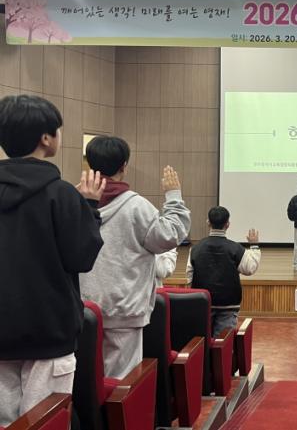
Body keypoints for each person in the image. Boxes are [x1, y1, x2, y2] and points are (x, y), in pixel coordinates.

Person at [0, 95, 105, 425]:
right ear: (46, 138)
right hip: (49, 332)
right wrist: (89, 207)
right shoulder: (62, 194)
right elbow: (82, 257)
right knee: (46, 422)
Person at [80, 136, 191, 379]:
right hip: (124, 310)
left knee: (86, 379)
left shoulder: (77, 202)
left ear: (90, 164)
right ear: (124, 166)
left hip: (84, 310)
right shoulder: (136, 206)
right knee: (121, 382)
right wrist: (173, 196)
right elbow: (170, 235)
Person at [188, 207, 261, 335]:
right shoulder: (236, 248)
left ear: (208, 222)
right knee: (224, 343)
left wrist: (195, 297)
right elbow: (250, 268)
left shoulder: (195, 248)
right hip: (229, 305)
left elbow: (189, 276)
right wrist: (254, 246)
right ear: (227, 224)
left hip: (203, 303)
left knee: (202, 341)